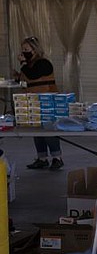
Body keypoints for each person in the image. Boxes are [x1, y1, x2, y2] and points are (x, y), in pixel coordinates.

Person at [12, 36, 64, 171]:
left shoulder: (43, 63)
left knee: (48, 129)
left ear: (34, 50)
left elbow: (33, 75)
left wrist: (23, 64)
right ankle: (42, 158)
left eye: (26, 49)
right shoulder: (28, 66)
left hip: (47, 99)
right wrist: (18, 77)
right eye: (22, 49)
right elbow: (27, 80)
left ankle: (57, 158)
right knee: (37, 130)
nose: (23, 52)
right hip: (33, 101)